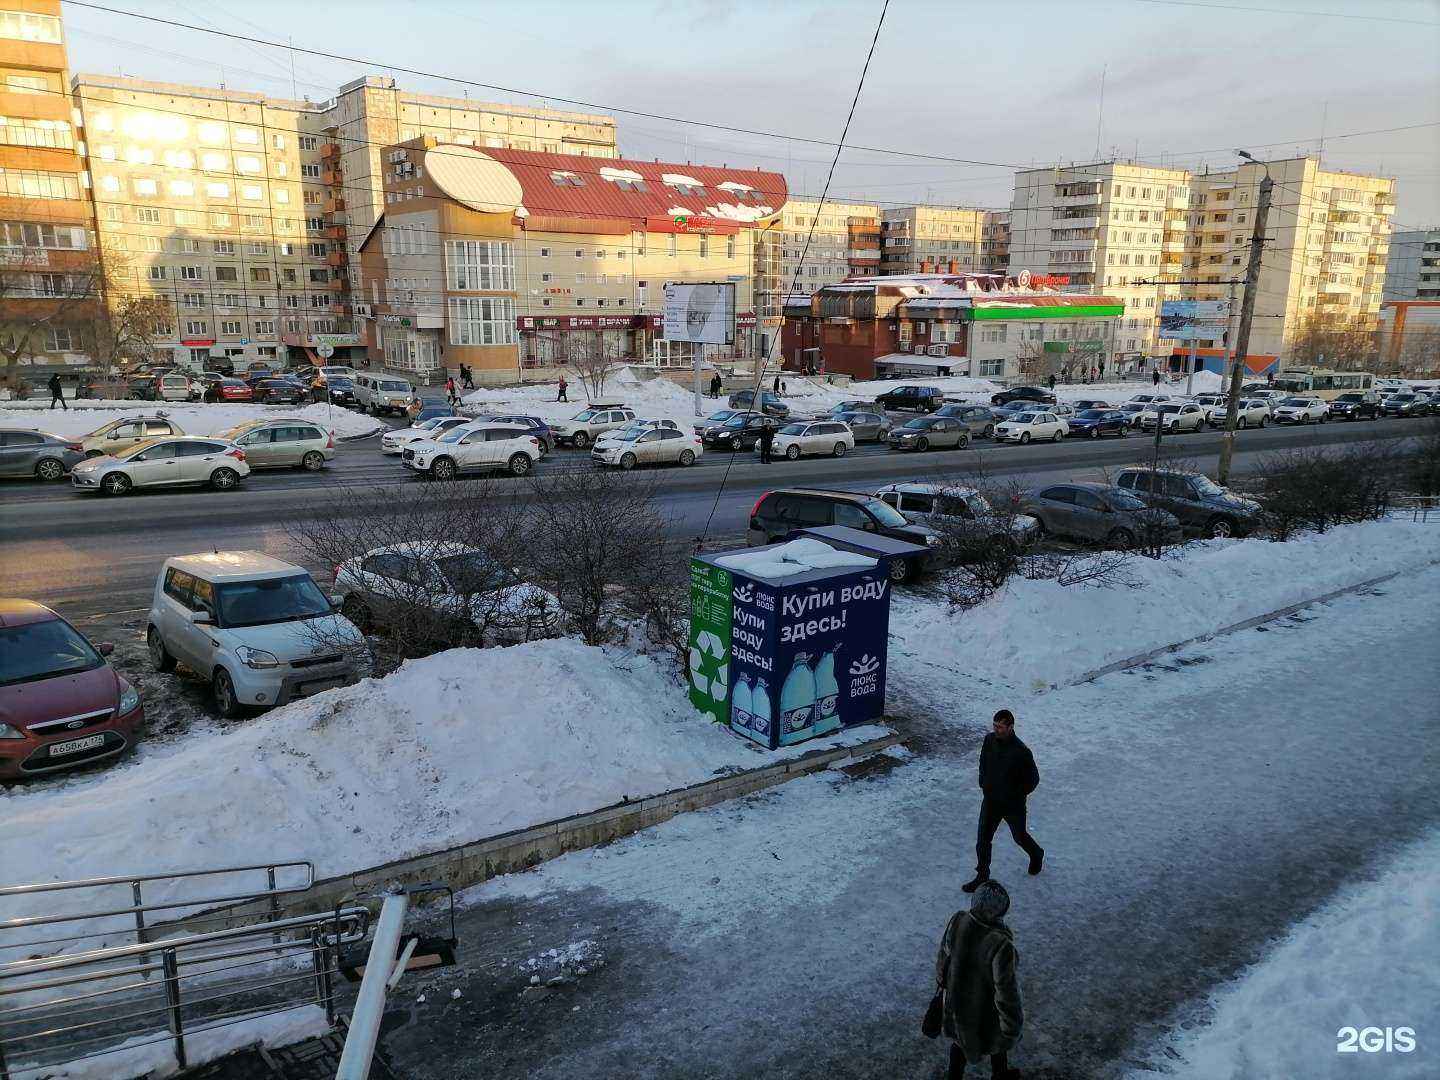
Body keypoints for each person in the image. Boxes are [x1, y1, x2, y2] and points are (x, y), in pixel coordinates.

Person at [934, 880, 1024, 1079]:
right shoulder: (1001, 944)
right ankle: (1000, 1073)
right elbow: (1006, 991)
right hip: (986, 1012)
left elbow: (944, 958)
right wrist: (1012, 1026)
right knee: (998, 1046)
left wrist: (942, 983)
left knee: (959, 1044)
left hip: (956, 1005)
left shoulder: (958, 921)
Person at [963, 709, 1043, 893]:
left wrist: (1015, 794)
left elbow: (1033, 779)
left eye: (1000, 727)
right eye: (995, 726)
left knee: (1019, 836)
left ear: (1010, 727)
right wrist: (983, 781)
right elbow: (983, 762)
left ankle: (1036, 853)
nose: (996, 730)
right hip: (991, 801)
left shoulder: (1021, 752)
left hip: (1012, 805)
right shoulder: (989, 740)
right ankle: (982, 875)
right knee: (983, 840)